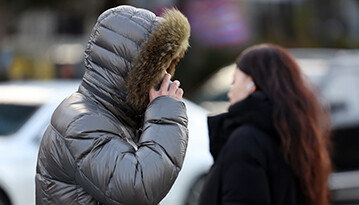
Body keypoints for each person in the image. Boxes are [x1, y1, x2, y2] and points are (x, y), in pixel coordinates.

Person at [35, 5, 190, 204]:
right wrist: (166, 112)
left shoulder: (105, 115)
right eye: (158, 68)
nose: (166, 76)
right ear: (131, 71)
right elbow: (137, 188)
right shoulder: (82, 122)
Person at [199, 44, 332, 205]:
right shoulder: (294, 135)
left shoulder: (246, 141)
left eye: (234, 82)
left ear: (252, 84)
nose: (230, 92)